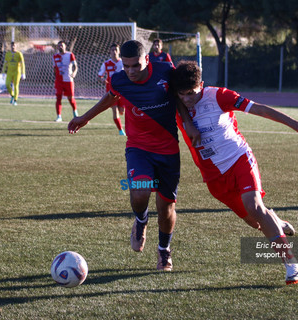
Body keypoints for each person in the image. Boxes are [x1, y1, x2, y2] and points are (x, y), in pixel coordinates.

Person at [68, 40, 197, 271]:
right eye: (125, 66)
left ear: (146, 60)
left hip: (168, 149)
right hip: (138, 147)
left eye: (135, 66)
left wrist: (188, 123)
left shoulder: (166, 72)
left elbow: (179, 98)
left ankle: (164, 252)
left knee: (166, 207)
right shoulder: (119, 79)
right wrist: (84, 118)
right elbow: (110, 97)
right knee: (140, 192)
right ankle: (140, 220)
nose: (130, 71)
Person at [172, 60, 298, 285]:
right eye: (183, 94)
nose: (188, 98)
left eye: (192, 93)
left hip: (239, 158)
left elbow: (258, 108)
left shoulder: (219, 96)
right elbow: (173, 95)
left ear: (202, 84)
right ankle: (278, 221)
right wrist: (187, 120)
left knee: (255, 207)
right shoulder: (175, 101)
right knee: (256, 222)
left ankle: (291, 263)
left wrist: (294, 124)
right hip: (214, 177)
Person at [98, 43, 126, 136]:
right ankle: (121, 130)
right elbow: (99, 76)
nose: (114, 52)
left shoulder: (123, 63)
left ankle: (122, 120)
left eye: (116, 50)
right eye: (112, 50)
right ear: (110, 52)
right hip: (111, 92)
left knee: (122, 110)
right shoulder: (106, 64)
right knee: (115, 110)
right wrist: (102, 80)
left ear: (119, 51)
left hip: (122, 91)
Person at [53, 40, 78, 122]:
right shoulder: (55, 56)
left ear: (65, 46)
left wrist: (74, 73)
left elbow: (75, 66)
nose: (60, 47)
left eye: (62, 45)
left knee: (71, 99)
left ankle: (75, 112)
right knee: (58, 98)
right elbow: (54, 68)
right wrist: (56, 77)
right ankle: (59, 116)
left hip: (68, 80)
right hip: (59, 81)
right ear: (57, 47)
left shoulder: (70, 55)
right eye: (59, 45)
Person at [2, 42, 26, 106]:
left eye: (14, 45)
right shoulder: (8, 54)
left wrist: (23, 73)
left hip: (17, 72)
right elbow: (5, 63)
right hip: (9, 72)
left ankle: (15, 100)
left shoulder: (19, 54)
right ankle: (12, 95)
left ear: (16, 46)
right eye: (12, 45)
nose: (13, 47)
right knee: (7, 84)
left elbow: (22, 64)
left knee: (16, 86)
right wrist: (3, 72)